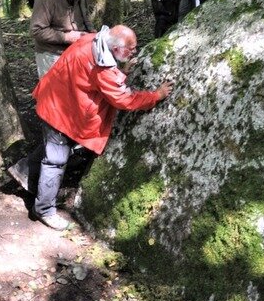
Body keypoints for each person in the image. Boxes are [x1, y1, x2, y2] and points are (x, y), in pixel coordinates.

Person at [11, 25, 174, 230]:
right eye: (130, 49)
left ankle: (24, 172)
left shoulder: (92, 40)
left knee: (51, 144)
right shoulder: (102, 66)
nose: (134, 52)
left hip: (53, 99)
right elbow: (124, 99)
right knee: (56, 159)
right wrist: (156, 95)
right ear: (115, 49)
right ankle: (44, 209)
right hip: (61, 113)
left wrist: (120, 72)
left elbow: (94, 79)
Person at [30, 0, 95, 78]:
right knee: (53, 94)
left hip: (75, 50)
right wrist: (67, 37)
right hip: (51, 53)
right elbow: (36, 30)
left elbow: (85, 16)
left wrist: (91, 32)